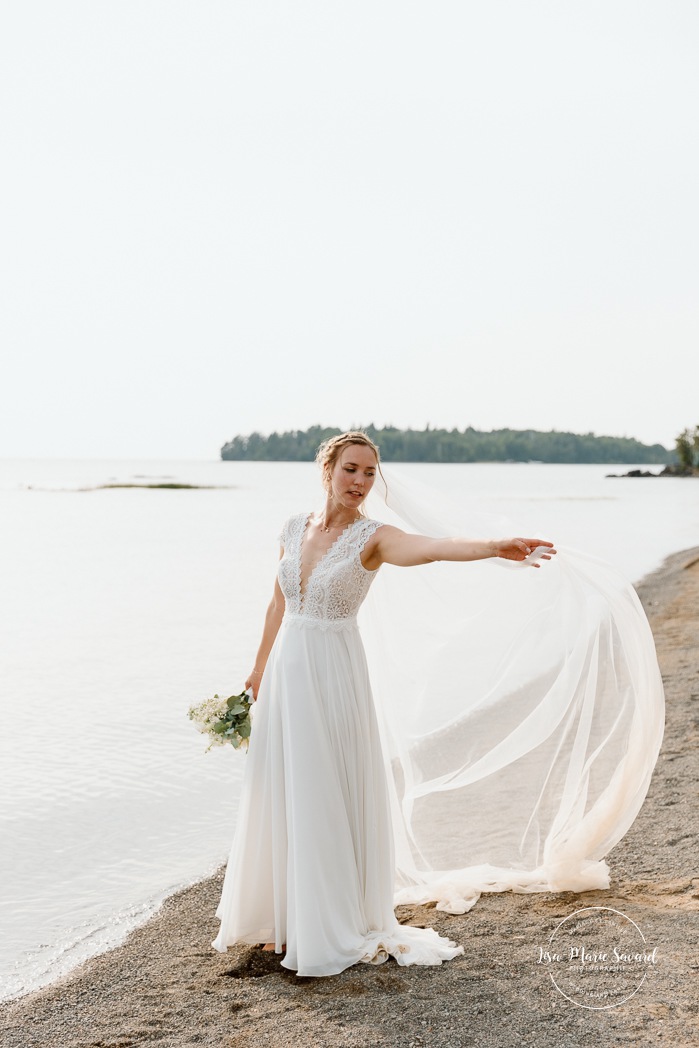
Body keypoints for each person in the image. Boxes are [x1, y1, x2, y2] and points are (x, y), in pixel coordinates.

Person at [211, 431, 556, 976]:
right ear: (327, 468)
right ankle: (284, 916)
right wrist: (257, 669)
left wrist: (494, 547)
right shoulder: (291, 528)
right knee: (284, 787)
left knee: (325, 788)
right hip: (285, 674)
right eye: (351, 469)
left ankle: (327, 920)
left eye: (370, 473)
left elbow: (434, 548)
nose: (360, 482)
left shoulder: (374, 537)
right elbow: (278, 601)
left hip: (333, 672)